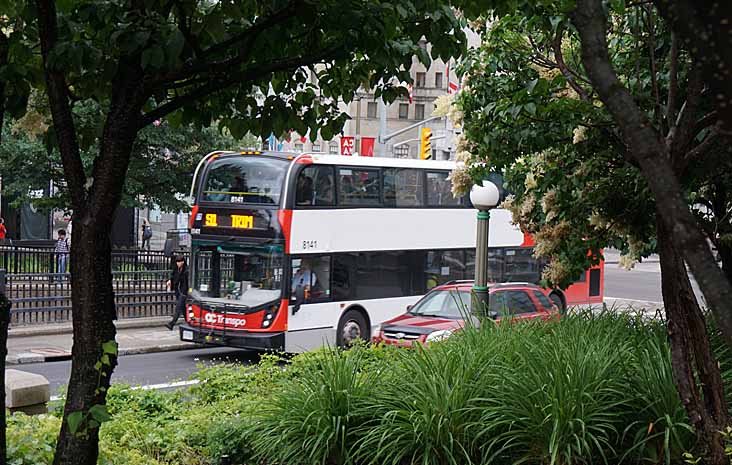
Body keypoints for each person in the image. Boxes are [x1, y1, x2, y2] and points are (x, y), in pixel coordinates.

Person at [166, 255, 188, 330]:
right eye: (177, 262)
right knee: (183, 308)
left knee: (178, 307)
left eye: (179, 262)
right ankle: (188, 321)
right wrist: (170, 281)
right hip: (178, 290)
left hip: (184, 292)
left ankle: (172, 323)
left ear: (183, 262)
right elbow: (173, 277)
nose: (178, 263)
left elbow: (187, 283)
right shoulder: (176, 269)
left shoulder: (186, 271)